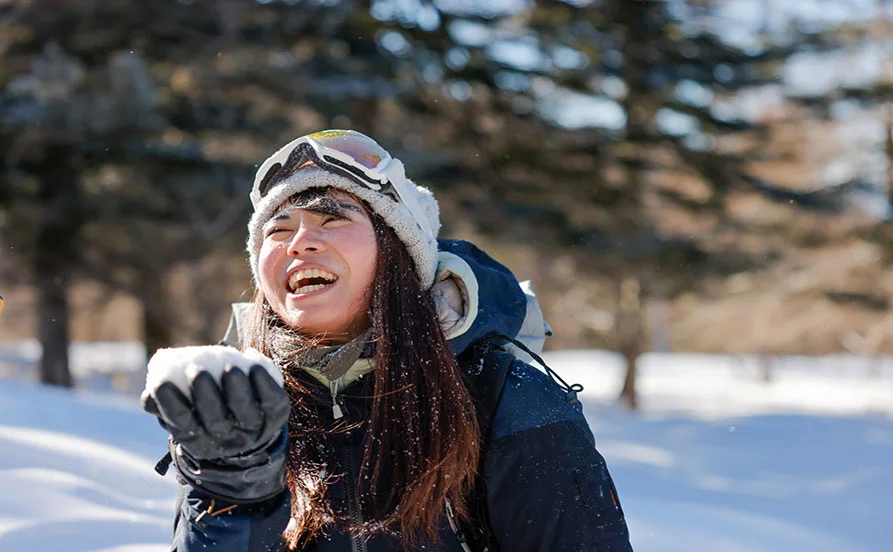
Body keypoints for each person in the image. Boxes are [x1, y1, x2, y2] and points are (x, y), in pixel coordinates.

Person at [141, 130, 633, 551]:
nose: (299, 241)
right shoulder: (241, 407)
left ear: (398, 252)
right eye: (278, 228)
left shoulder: (505, 396)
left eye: (332, 218)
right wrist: (232, 492)